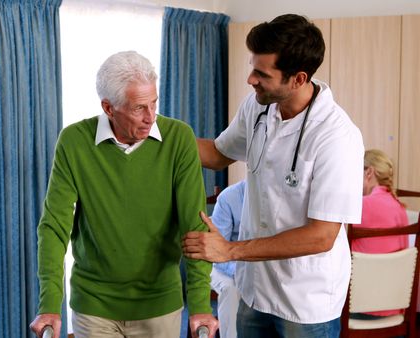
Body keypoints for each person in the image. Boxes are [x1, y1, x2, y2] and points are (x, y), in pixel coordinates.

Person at [182, 14, 364, 338]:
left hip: (305, 302)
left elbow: (321, 236)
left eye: (261, 74)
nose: (250, 79)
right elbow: (218, 153)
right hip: (254, 291)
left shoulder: (337, 136)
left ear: (298, 78)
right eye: (252, 67)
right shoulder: (257, 107)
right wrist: (161, 133)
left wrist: (230, 250)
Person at [29, 51, 218, 338]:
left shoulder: (178, 138)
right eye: (138, 108)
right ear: (108, 107)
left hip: (160, 304)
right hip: (95, 304)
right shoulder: (74, 142)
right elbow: (54, 227)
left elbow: (195, 225)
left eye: (154, 104)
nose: (150, 117)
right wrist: (50, 305)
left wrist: (201, 303)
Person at [349, 149, 409, 319]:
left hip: (359, 308)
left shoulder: (361, 206)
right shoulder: (399, 207)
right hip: (396, 307)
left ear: (369, 172)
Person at [209, 180, 245, 338]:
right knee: (232, 289)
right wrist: (242, 272)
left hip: (261, 265)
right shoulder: (229, 198)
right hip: (223, 267)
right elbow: (218, 254)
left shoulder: (277, 198)